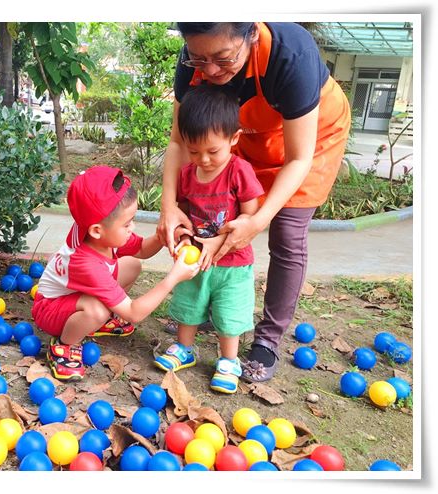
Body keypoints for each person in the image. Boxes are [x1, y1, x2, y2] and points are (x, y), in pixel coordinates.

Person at [157, 22, 351, 383]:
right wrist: (170, 205)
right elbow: (178, 142)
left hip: (309, 142)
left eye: (222, 58)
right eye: (199, 58)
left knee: (287, 233)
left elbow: (297, 158)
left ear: (250, 35)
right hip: (245, 137)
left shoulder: (290, 55)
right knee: (216, 216)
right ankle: (205, 308)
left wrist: (257, 221)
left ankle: (267, 340)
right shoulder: (195, 62)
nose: (210, 70)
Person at [32, 165, 200, 381]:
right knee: (97, 310)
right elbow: (133, 313)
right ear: (96, 231)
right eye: (127, 223)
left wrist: (162, 237)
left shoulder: (101, 233)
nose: (133, 227)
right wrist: (173, 279)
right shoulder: (86, 262)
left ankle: (98, 321)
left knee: (132, 265)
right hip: (49, 310)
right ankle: (65, 344)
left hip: (72, 296)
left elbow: (140, 249)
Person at [153, 85, 264, 394]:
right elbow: (184, 213)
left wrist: (231, 231)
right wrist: (183, 234)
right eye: (193, 151)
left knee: (229, 313)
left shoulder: (239, 171)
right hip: (197, 261)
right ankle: (185, 349)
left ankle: (229, 360)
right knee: (189, 304)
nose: (203, 159)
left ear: (234, 138)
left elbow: (250, 215)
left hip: (232, 263)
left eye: (213, 151)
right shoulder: (187, 175)